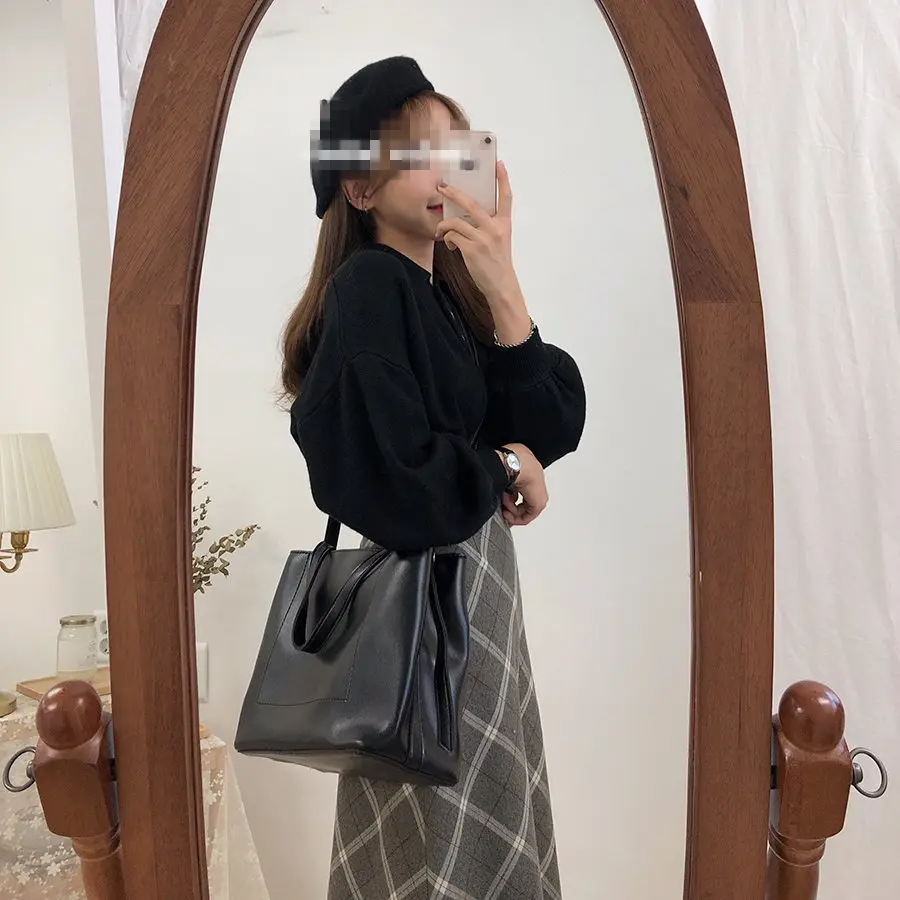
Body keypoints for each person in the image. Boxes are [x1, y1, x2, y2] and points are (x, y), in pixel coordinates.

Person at [281, 55, 586, 900]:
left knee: (461, 805)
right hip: (426, 593)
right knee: (437, 820)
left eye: (456, 150)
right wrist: (499, 465)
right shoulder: (371, 285)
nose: (447, 171)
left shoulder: (443, 290)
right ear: (360, 189)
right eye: (417, 154)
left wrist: (504, 283)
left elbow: (548, 424)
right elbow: (393, 474)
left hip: (472, 588)